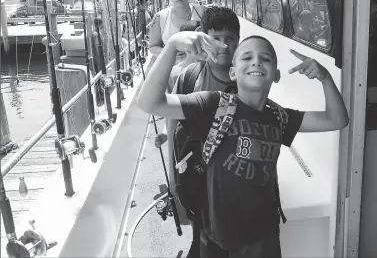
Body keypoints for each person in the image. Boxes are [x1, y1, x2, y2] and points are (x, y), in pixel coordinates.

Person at [138, 31, 349, 258]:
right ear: (232, 72)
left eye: (265, 58)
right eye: (247, 58)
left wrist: (325, 78)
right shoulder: (212, 104)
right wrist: (171, 47)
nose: (256, 61)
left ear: (275, 75)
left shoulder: (280, 117)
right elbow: (151, 102)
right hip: (218, 238)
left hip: (264, 237)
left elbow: (337, 119)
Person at [154, 6, 241, 258]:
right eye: (215, 38)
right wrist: (172, 177)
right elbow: (172, 124)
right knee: (200, 235)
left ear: (239, 41)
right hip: (196, 178)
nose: (223, 46)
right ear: (203, 37)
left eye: (230, 39)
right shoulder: (189, 76)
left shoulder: (247, 80)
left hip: (234, 186)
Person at [148, 0, 207, 65]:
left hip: (200, 67)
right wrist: (172, 52)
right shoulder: (159, 17)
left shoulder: (203, 12)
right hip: (172, 69)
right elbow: (153, 47)